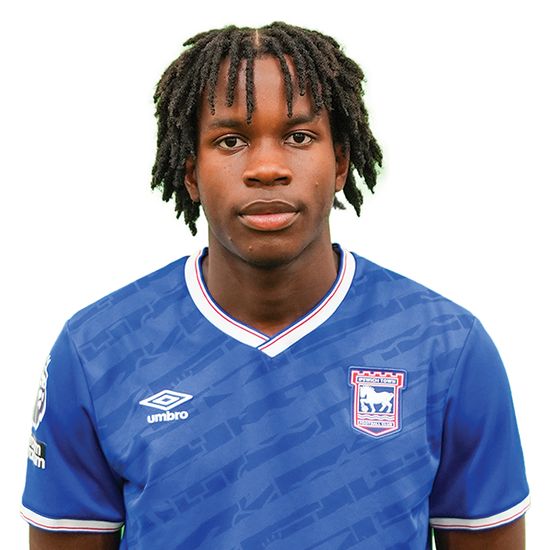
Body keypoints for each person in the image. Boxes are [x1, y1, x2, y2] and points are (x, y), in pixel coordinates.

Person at [21, 22, 529, 550]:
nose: (267, 168)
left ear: (340, 164)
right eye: (231, 140)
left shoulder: (446, 345)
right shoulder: (97, 349)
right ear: (191, 172)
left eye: (299, 137)